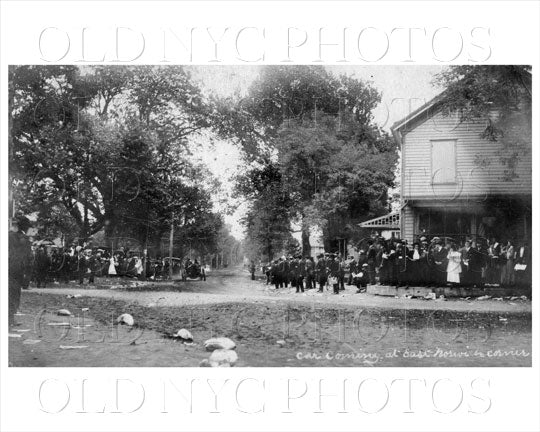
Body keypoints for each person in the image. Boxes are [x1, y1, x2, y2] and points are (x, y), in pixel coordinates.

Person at [9, 217, 33, 327]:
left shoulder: (9, 236)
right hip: (17, 271)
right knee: (14, 295)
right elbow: (29, 259)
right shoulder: (25, 239)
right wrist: (27, 278)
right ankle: (10, 318)